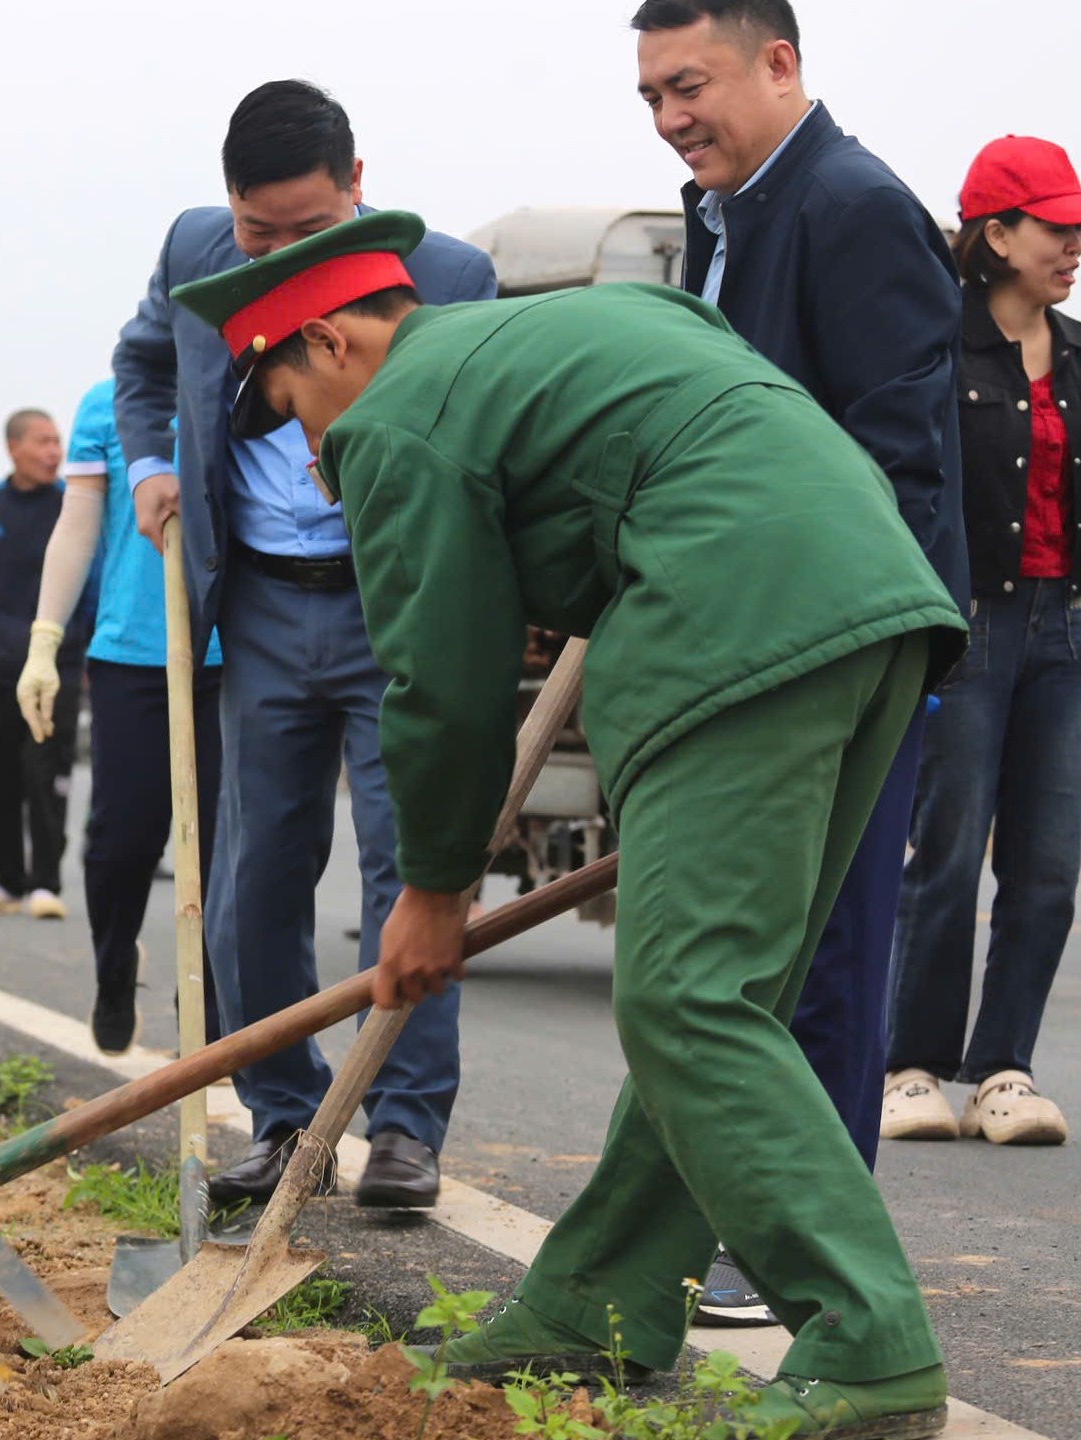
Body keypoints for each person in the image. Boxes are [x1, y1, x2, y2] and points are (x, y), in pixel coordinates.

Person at [179, 209, 960, 1436]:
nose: (306, 451)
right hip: (874, 602)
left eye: (289, 411)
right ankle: (600, 1299)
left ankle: (867, 1339)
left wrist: (433, 889)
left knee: (687, 1000)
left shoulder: (397, 421)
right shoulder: (560, 329)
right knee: (711, 996)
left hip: (736, 613)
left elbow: (439, 681)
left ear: (328, 342)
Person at [633, 0, 967, 1321]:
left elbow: (903, 458)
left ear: (781, 64)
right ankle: (741, 1220)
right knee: (745, 950)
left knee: (827, 947)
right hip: (739, 641)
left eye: (691, 84)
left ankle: (806, 1255)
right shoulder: (720, 216)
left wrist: (875, 658)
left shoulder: (850, 205)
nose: (671, 116)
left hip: (840, 644)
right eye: (652, 93)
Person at [113, 78, 497, 1211]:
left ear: (359, 191)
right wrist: (151, 466)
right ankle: (287, 1121)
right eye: (257, 235)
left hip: (395, 603)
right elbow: (142, 365)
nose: (277, 259)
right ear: (225, 208)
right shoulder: (190, 250)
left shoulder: (450, 280)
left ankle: (404, 1127)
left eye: (309, 233)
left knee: (412, 872)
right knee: (249, 883)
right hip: (265, 604)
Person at [883, 139, 1081, 1149]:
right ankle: (909, 1066)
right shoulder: (933, 349)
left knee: (1048, 867)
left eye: (1080, 228)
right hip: (964, 628)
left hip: (1066, 633)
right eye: (1055, 227)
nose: (1074, 245)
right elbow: (903, 498)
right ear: (994, 234)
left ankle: (1001, 1070)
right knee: (948, 854)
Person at [17, 377, 224, 1053]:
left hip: (241, 651)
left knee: (230, 843)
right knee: (122, 844)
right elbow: (77, 525)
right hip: (133, 650)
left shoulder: (263, 378)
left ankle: (212, 992)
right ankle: (114, 967)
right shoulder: (108, 404)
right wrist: (45, 640)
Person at [0, 409, 90, 920]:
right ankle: (7, 881)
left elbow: (91, 578)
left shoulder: (72, 507)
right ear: (13, 448)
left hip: (58, 663)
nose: (54, 451)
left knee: (48, 773)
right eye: (42, 442)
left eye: (58, 442)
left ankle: (45, 884)